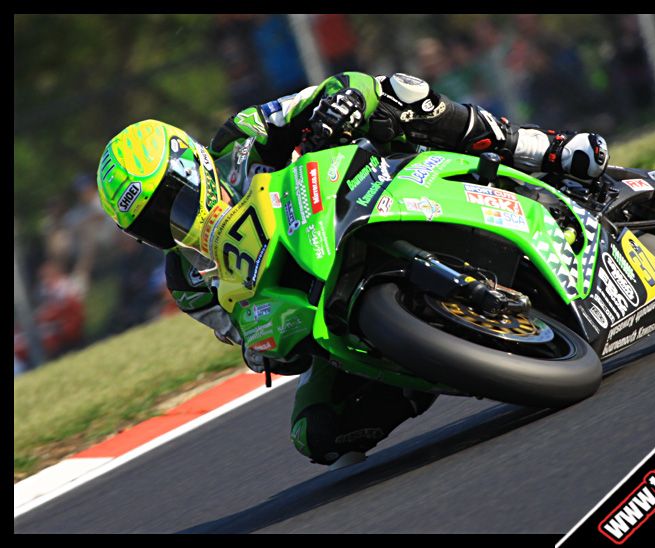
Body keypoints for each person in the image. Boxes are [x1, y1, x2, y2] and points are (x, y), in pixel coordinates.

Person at [96, 71, 609, 467]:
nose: (169, 223)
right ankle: (437, 361)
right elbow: (249, 342)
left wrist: (339, 107)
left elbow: (345, 86)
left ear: (192, 165)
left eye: (169, 201)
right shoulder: (187, 282)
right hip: (330, 304)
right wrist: (269, 340)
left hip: (381, 186)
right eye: (151, 226)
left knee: (398, 93)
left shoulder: (242, 139)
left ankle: (544, 147)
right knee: (316, 433)